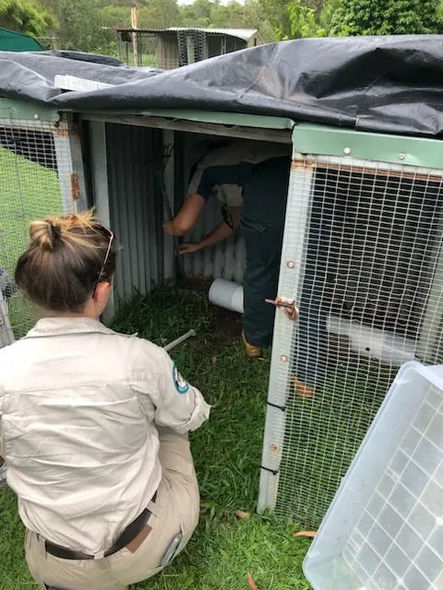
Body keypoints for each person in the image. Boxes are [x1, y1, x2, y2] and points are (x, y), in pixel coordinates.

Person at [0, 212, 209, 590]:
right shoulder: (142, 358)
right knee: (172, 422)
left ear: (31, 293)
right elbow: (193, 414)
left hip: (53, 563)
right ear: (102, 291)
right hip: (146, 547)